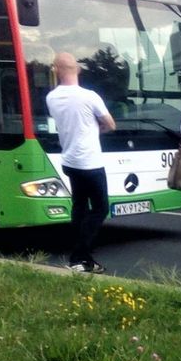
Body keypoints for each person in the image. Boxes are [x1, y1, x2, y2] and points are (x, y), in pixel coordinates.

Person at [46, 52, 116, 273]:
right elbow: (110, 124)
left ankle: (83, 258)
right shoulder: (90, 96)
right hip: (90, 161)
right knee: (100, 208)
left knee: (79, 208)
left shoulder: (52, 98)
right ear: (77, 69)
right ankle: (79, 257)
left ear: (56, 70)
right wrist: (97, 127)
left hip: (69, 160)